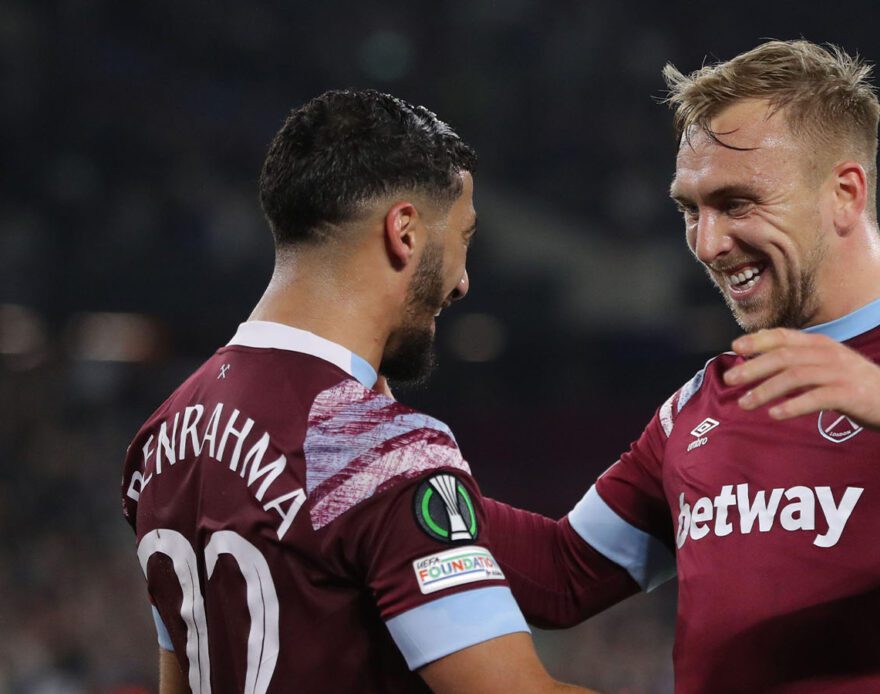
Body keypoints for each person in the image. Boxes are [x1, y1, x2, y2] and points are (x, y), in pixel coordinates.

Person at [483, 40, 880, 692]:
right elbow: (562, 579)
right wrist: (411, 481)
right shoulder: (700, 403)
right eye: (690, 209)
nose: (708, 243)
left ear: (845, 193)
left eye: (737, 204)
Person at [121, 89, 590, 694]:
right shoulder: (377, 448)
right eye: (464, 237)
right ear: (406, 232)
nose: (464, 281)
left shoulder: (160, 435)